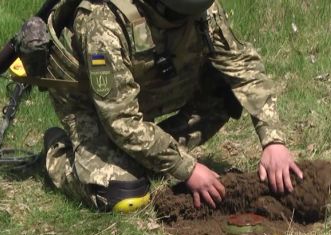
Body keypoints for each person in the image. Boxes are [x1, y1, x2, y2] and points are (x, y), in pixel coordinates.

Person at [36, 0, 303, 212]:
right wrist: (186, 168)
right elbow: (120, 120)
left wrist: (273, 141)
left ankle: (151, 156)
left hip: (144, 85)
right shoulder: (103, 23)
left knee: (227, 91)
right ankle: (57, 153)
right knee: (122, 193)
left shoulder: (198, 6)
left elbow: (241, 66)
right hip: (90, 103)